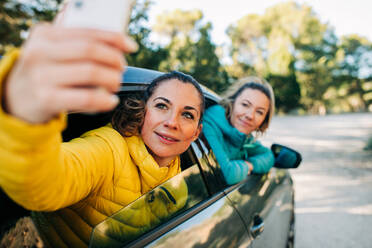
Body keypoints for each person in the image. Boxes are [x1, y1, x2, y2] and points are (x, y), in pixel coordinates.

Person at [0, 22, 204, 247]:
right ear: (143, 111)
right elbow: (40, 183)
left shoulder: (179, 185)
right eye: (162, 106)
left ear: (196, 132)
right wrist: (20, 113)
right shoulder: (108, 148)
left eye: (187, 115)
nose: (172, 122)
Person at [202, 76, 275, 185]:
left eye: (259, 112)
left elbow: (269, 156)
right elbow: (226, 174)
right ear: (232, 103)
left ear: (264, 120)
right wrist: (246, 167)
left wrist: (250, 164)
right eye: (245, 105)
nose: (250, 116)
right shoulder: (208, 124)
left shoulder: (243, 137)